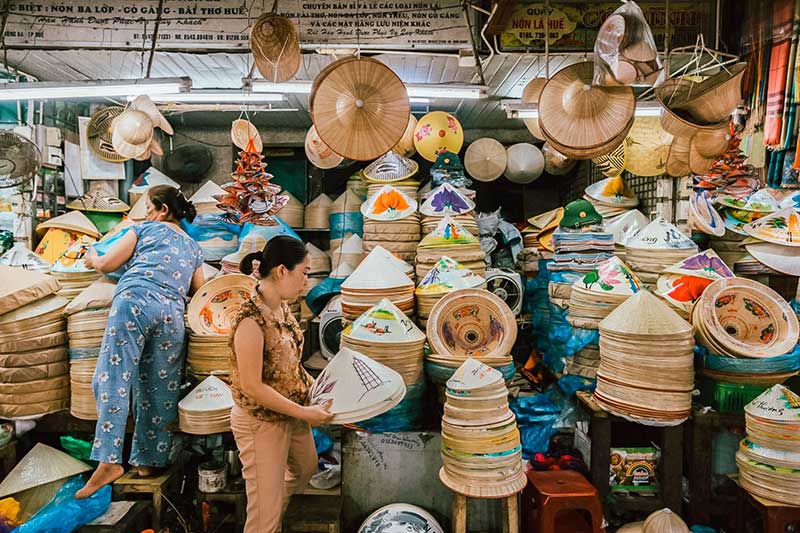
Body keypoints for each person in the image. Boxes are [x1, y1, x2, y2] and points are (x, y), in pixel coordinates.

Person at [76, 185, 205, 499]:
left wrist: (92, 256)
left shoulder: (143, 229)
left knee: (112, 378)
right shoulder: (193, 247)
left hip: (134, 302)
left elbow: (108, 264)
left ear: (161, 210)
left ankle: (108, 461)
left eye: (148, 206)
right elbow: (199, 292)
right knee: (159, 388)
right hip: (172, 314)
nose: (145, 212)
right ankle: (148, 459)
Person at [228, 235, 333, 533]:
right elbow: (252, 386)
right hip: (260, 420)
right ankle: (265, 514)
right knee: (264, 517)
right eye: (304, 273)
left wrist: (318, 390)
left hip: (289, 409)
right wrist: (305, 414)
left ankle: (269, 503)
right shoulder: (250, 320)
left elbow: (288, 364)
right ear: (282, 271)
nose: (306, 282)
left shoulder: (282, 308)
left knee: (305, 468)